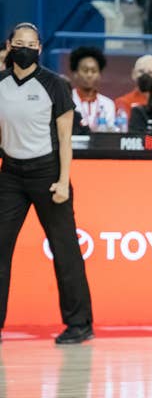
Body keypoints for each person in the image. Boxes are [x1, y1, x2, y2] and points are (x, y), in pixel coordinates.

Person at [0, 22, 94, 344]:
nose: (25, 47)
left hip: (48, 173)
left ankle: (79, 324)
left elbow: (66, 138)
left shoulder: (54, 84)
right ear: (9, 45)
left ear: (40, 49)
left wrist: (64, 181)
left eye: (32, 43)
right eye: (19, 42)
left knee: (65, 249)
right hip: (10, 174)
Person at [69, 46, 115, 131]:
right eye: (85, 70)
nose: (89, 75)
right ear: (75, 73)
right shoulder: (67, 100)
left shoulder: (108, 104)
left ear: (99, 75)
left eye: (94, 71)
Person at [114, 54, 152, 120]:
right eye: (141, 71)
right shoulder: (123, 102)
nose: (145, 76)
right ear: (133, 74)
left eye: (151, 73)